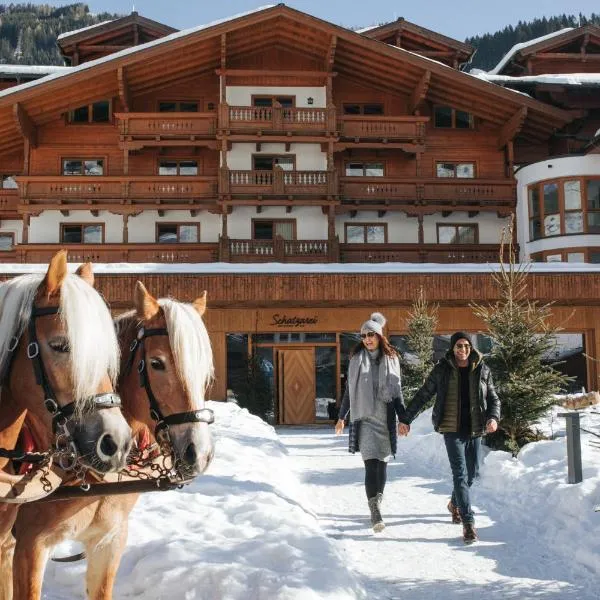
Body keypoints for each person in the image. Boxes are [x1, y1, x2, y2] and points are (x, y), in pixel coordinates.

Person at [398, 331, 500, 544]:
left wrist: (493, 417)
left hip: (475, 428)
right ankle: (468, 523)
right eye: (458, 346)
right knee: (460, 475)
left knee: (472, 474)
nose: (462, 350)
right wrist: (406, 419)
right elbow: (424, 394)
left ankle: (455, 503)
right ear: (452, 349)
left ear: (470, 348)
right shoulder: (442, 370)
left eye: (466, 346)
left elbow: (493, 398)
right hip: (451, 429)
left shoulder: (482, 369)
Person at [335, 312, 405, 533]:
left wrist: (403, 418)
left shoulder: (392, 359)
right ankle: (375, 511)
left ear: (379, 336)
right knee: (370, 465)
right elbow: (349, 391)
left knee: (382, 465)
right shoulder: (356, 360)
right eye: (364, 335)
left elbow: (397, 391)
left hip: (384, 418)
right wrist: (341, 417)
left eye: (371, 335)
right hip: (364, 419)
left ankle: (377, 503)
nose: (367, 339)